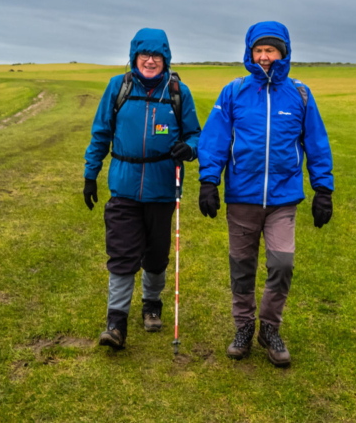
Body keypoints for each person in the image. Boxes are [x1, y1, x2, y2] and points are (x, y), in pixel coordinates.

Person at [197, 21, 334, 367]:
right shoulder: (234, 91)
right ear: (249, 52)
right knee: (242, 268)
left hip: (283, 199)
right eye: (258, 50)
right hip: (242, 197)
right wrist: (209, 181)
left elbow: (316, 143)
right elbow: (215, 139)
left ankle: (269, 328)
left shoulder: (300, 94)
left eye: (270, 50)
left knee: (282, 264)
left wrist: (324, 189)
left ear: (283, 53)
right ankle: (243, 327)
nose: (264, 57)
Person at [83, 28, 201, 349]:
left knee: (157, 255)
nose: (150, 61)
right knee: (122, 254)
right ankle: (116, 323)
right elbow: (100, 134)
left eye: (157, 55)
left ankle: (152, 305)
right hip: (123, 187)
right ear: (134, 57)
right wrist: (90, 174)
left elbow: (196, 136)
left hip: (162, 189)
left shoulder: (178, 93)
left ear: (166, 58)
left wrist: (188, 149)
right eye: (144, 55)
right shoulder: (118, 88)